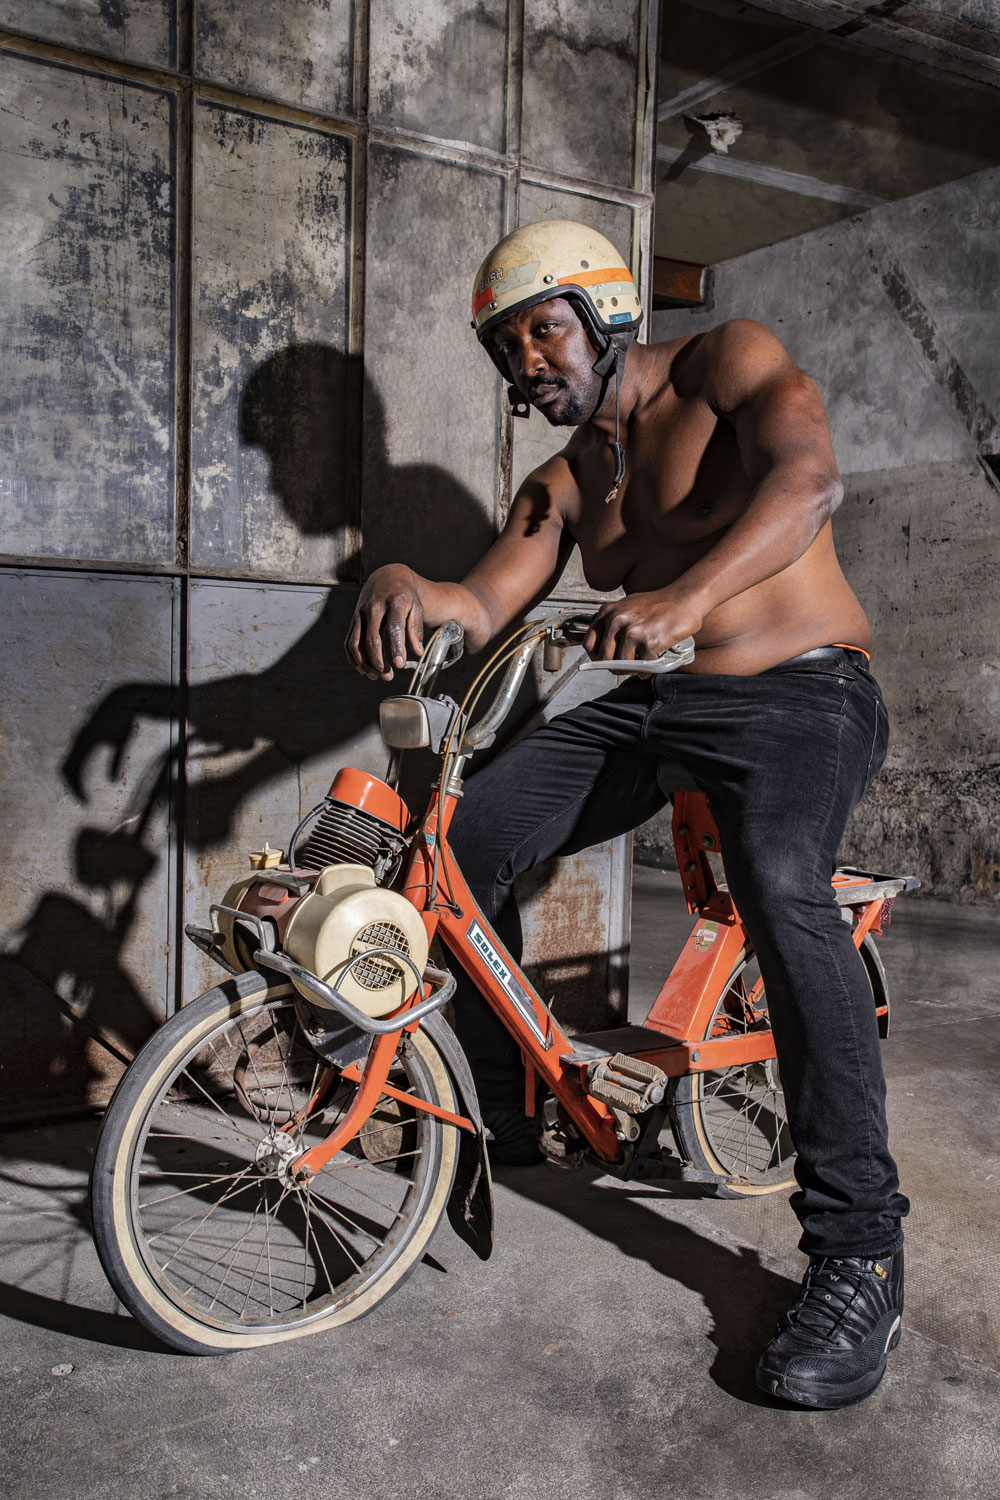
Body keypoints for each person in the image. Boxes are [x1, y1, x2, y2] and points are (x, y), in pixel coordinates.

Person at [346, 219, 908, 1410]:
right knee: (464, 840)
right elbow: (479, 598)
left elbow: (810, 482)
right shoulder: (565, 481)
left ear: (603, 314)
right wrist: (401, 581)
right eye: (506, 348)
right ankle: (508, 1108)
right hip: (665, 702)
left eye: (543, 331)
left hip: (805, 688)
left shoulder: (724, 364)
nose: (527, 363)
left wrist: (685, 595)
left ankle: (860, 1251)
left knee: (780, 884)